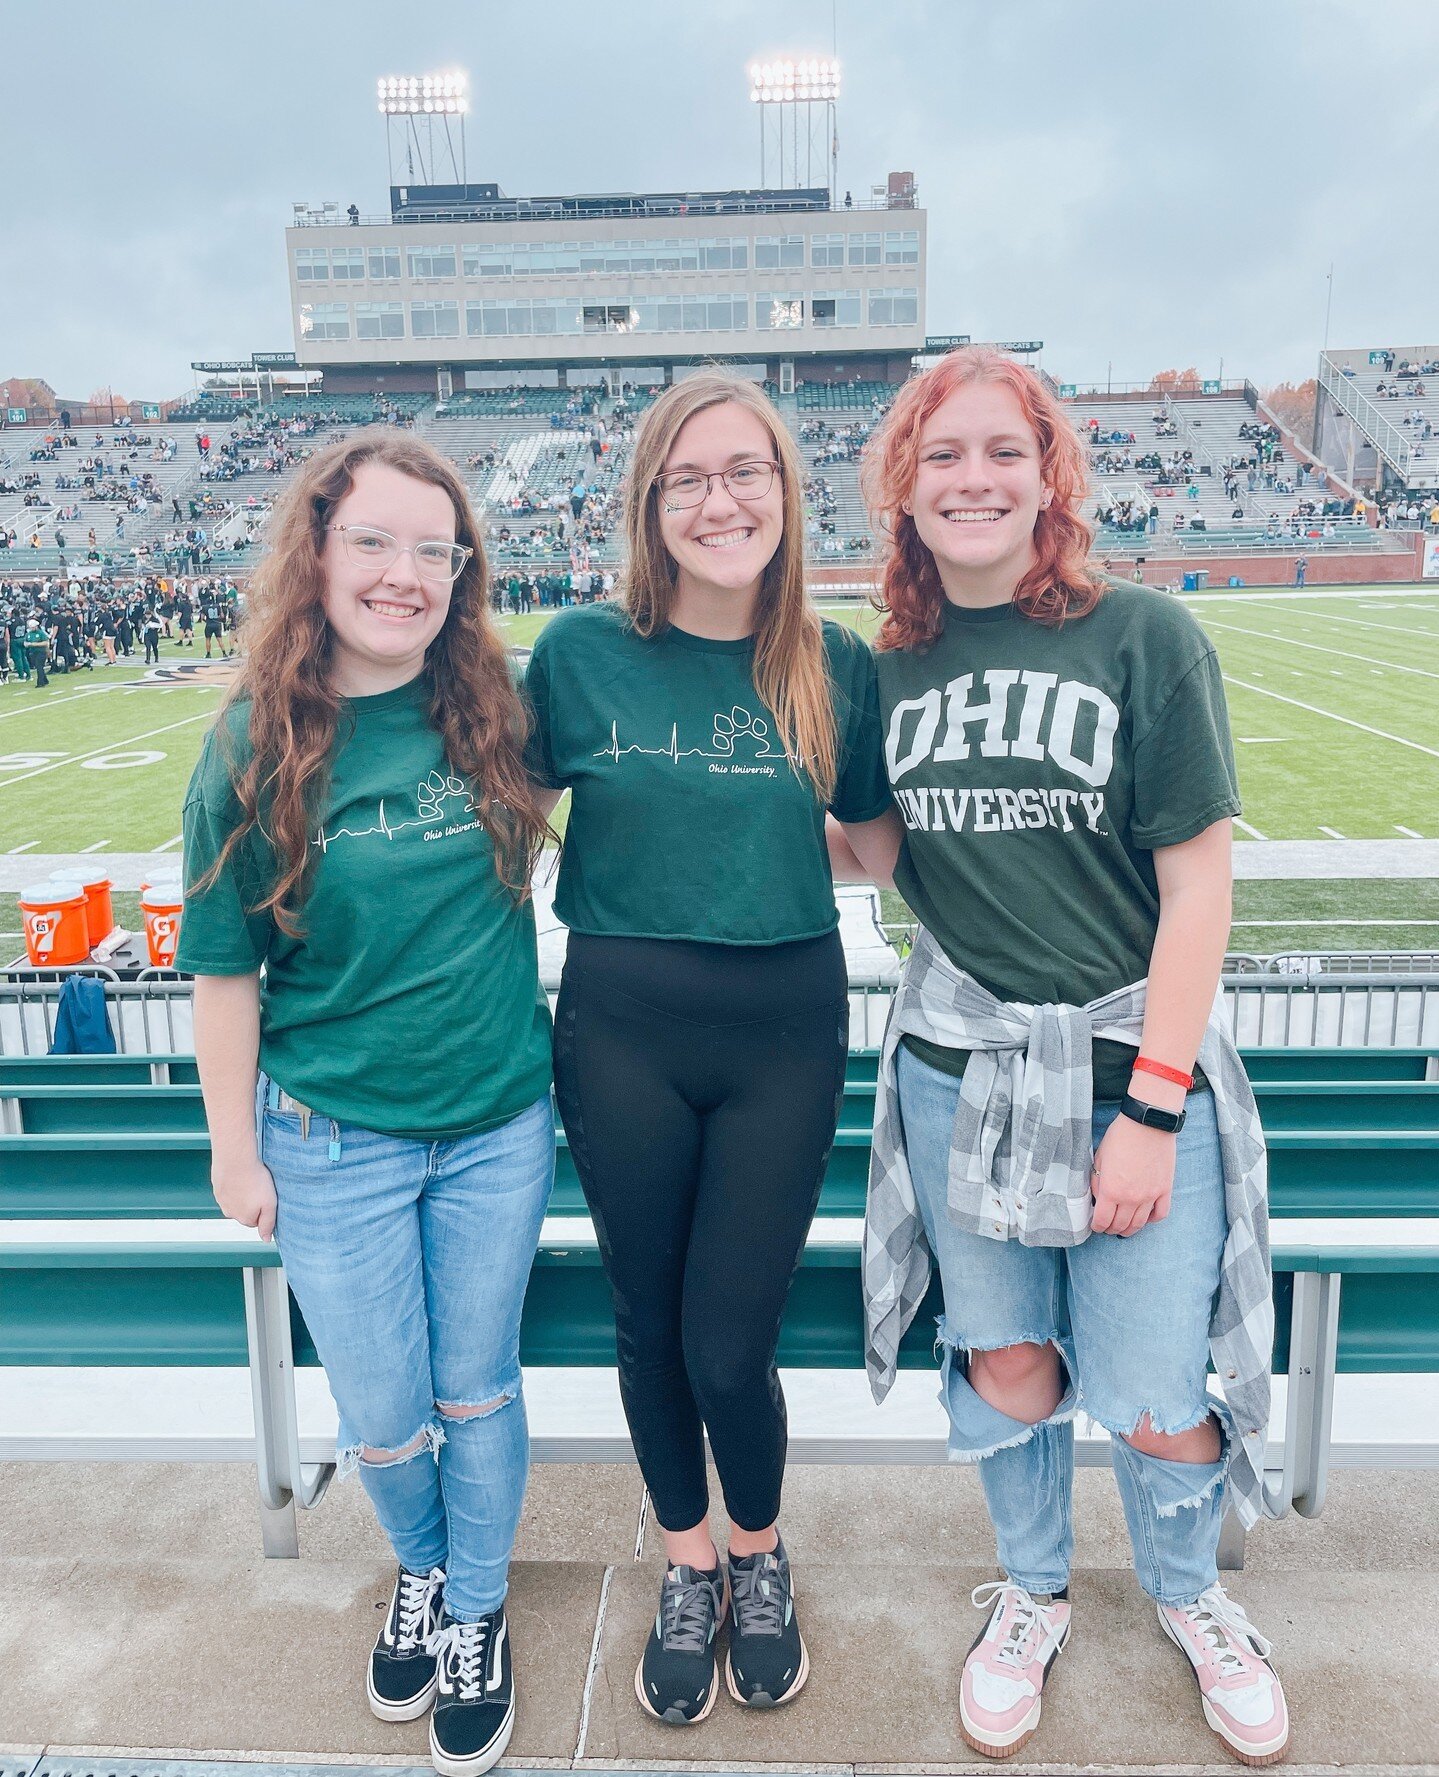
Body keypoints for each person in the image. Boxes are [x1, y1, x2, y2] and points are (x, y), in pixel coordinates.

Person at [839, 348, 1288, 1767]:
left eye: (1002, 451)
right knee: (1012, 1360)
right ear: (904, 488)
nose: (973, 479)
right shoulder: (885, 666)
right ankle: (1032, 1589)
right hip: (961, 1067)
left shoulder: (1146, 638)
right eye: (943, 455)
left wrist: (1153, 1110)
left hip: (1125, 1066)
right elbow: (877, 857)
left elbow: (1200, 891)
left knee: (1158, 1393)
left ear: (1051, 475)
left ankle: (1188, 1590)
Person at [176, 432, 557, 1777]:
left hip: (499, 1124)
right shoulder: (248, 746)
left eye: (434, 551)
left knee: (477, 1387)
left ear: (464, 570)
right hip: (329, 1137)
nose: (405, 574)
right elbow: (224, 973)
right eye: (375, 543)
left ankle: (473, 1606)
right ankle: (424, 1560)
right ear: (318, 553)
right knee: (384, 1411)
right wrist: (232, 1146)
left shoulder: (498, 708)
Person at [525, 373, 897, 1727]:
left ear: (786, 496)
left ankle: (758, 1547)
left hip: (783, 1025)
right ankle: (687, 1561)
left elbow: (877, 843)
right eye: (687, 477)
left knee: (729, 1342)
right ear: (648, 505)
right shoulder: (577, 653)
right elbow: (496, 810)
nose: (718, 498)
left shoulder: (832, 663)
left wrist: (760, 842)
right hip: (619, 1020)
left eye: (745, 471)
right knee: (647, 1317)